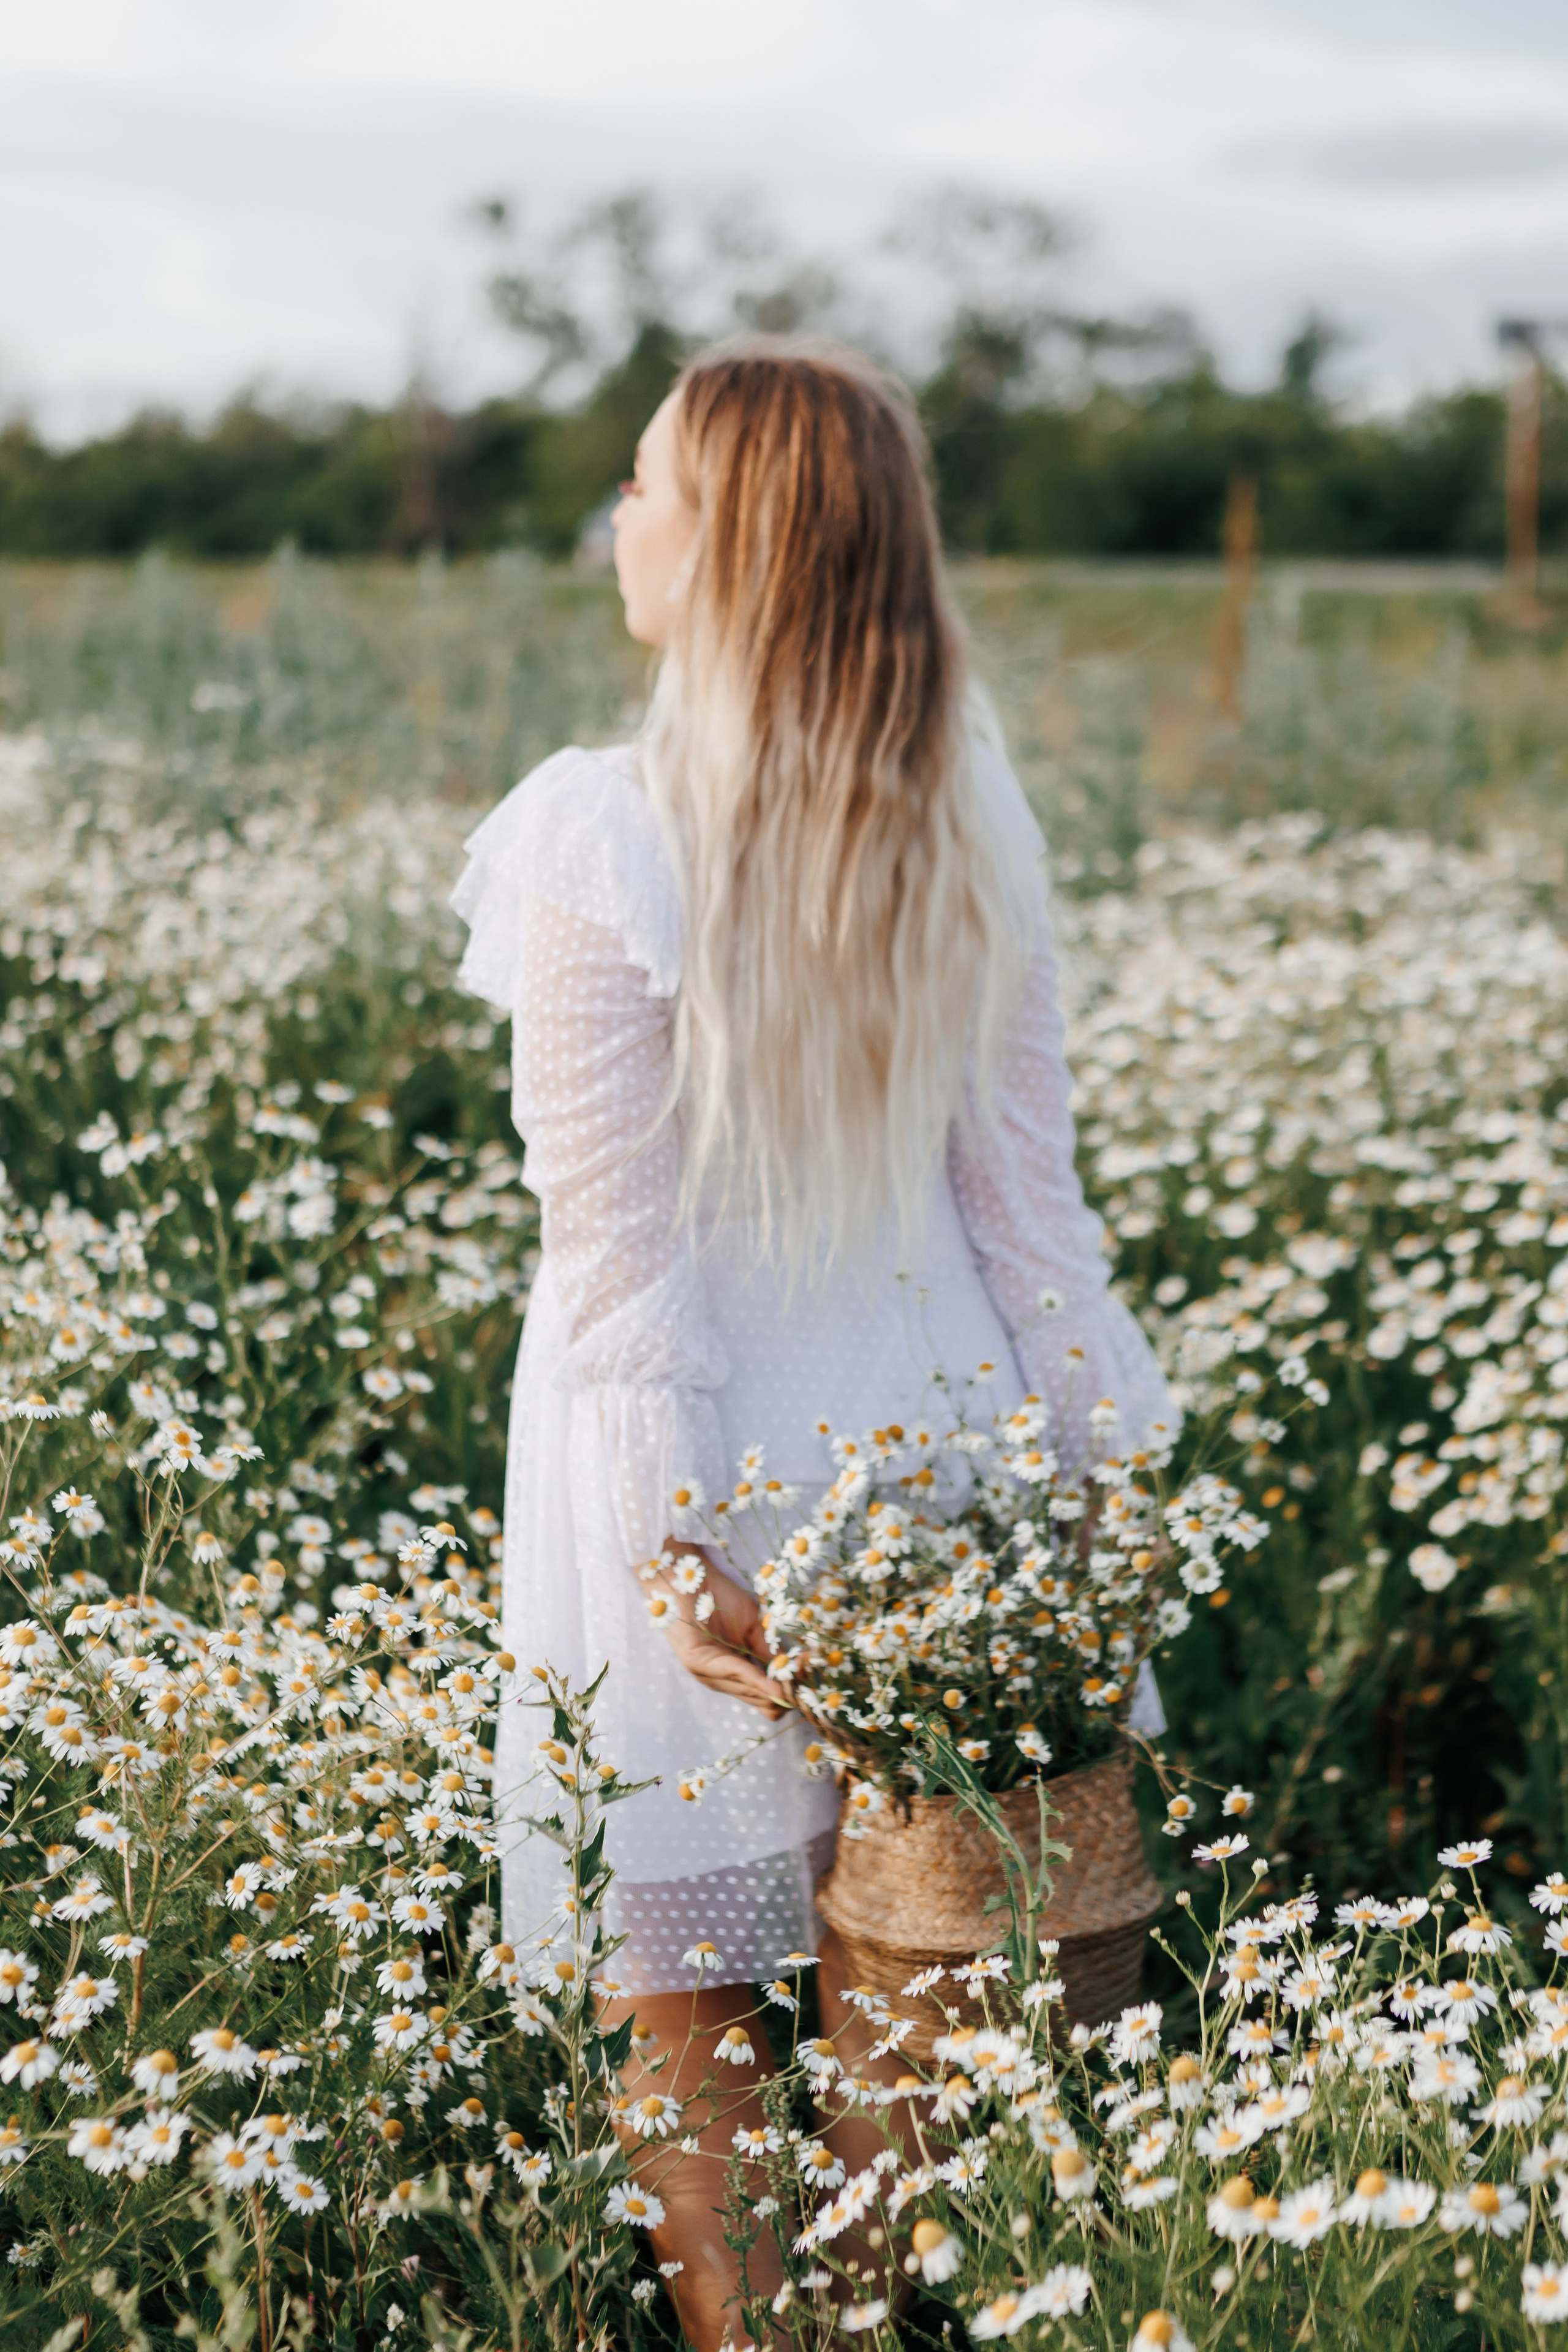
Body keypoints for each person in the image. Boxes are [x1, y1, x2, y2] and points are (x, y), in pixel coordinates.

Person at [450, 336, 1174, 2350]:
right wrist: (1094, 1481)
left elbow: (620, 1254)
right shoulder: (961, 812)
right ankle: (875, 2313)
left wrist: (675, 1539)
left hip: (698, 1437)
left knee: (679, 1977)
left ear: (740, 541)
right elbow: (1033, 1207)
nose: (623, 521)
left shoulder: (604, 830)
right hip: (932, 1432)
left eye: (651, 489)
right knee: (908, 1957)